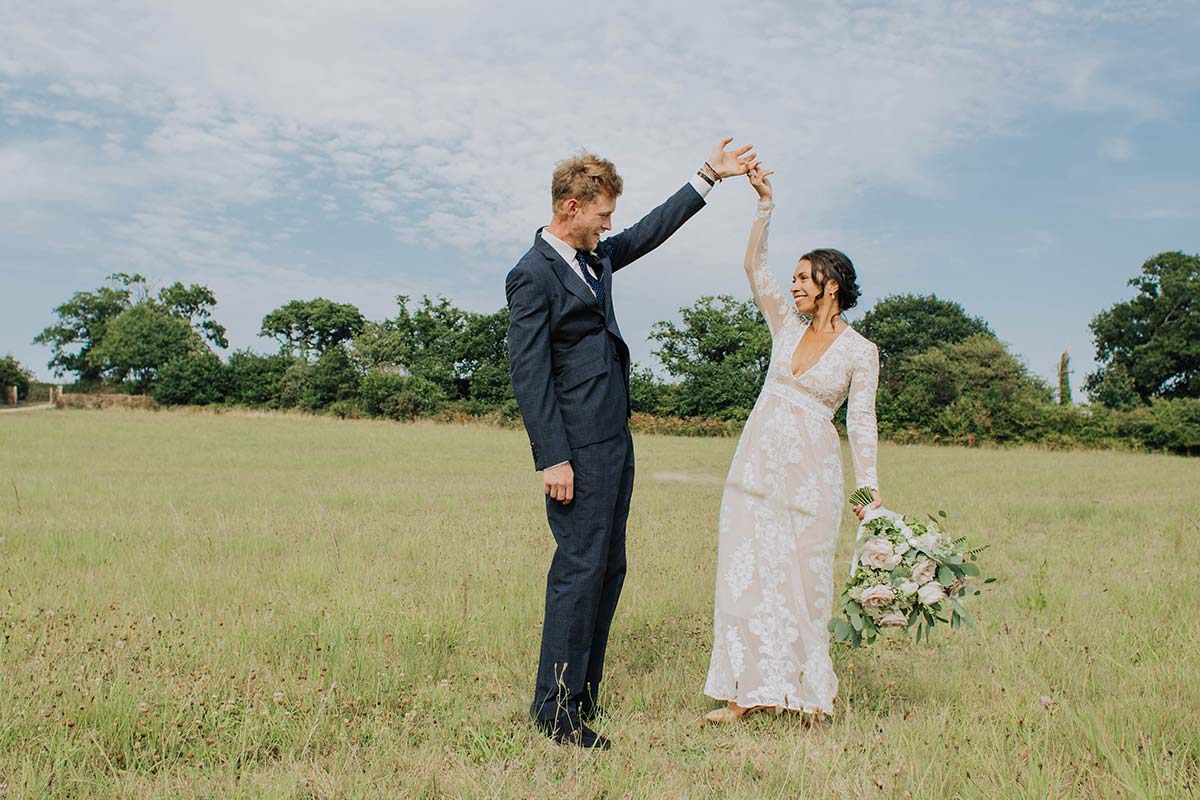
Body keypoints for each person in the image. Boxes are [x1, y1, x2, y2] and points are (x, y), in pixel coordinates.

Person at [506, 139, 756, 750]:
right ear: (570, 207)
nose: (609, 225)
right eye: (601, 215)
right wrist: (553, 456)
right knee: (579, 569)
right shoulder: (532, 274)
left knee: (609, 568)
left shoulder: (596, 258)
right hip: (577, 448)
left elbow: (649, 232)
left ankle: (583, 695)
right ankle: (555, 713)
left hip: (615, 438)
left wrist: (707, 178)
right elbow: (529, 372)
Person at [702, 163, 882, 723]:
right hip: (757, 467)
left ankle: (807, 695)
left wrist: (868, 492)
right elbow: (753, 265)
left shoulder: (861, 352)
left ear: (831, 284)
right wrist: (764, 206)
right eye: (796, 278)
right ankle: (742, 694)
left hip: (813, 476)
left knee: (803, 579)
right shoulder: (785, 325)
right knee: (748, 571)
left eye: (804, 278)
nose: (795, 285)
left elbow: (862, 425)